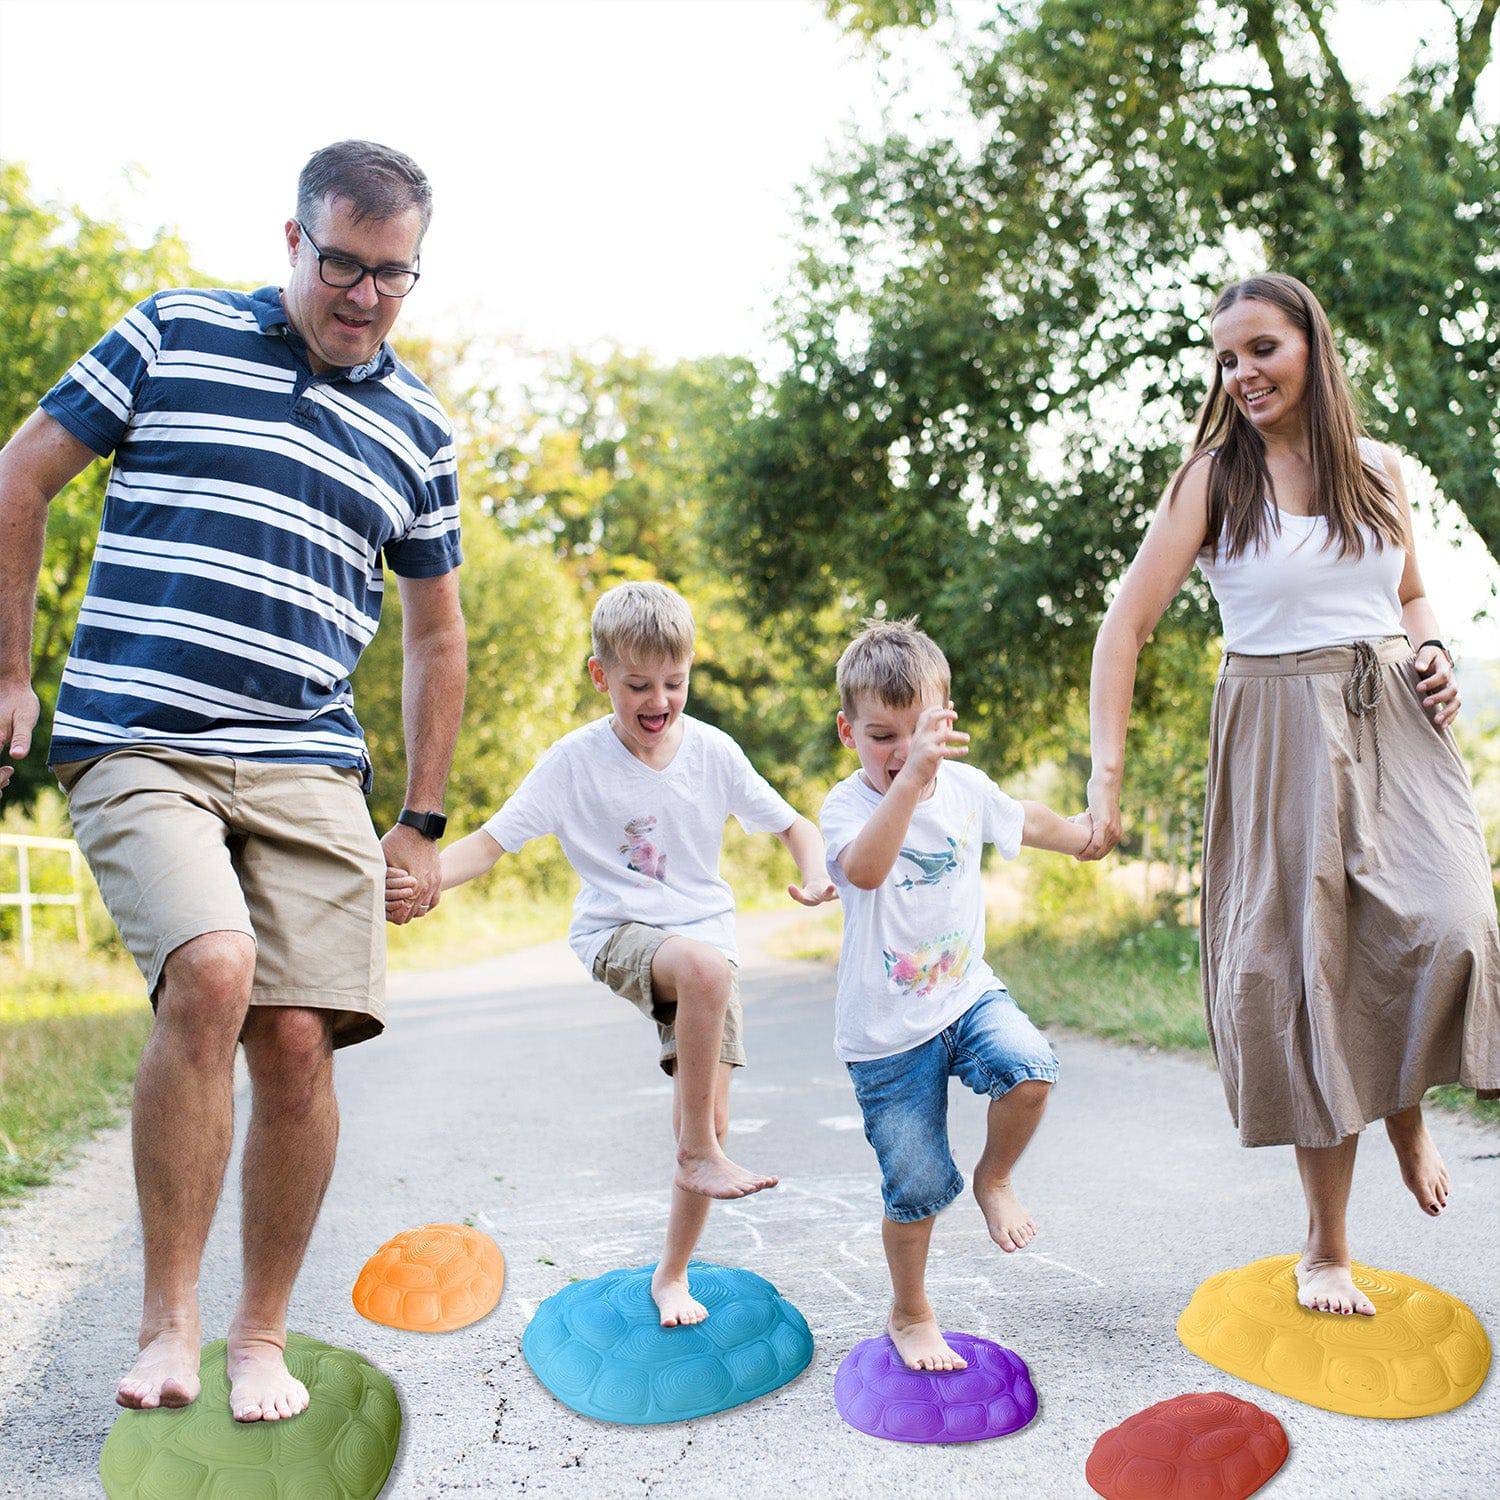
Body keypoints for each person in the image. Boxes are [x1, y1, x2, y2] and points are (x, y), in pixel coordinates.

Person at [0, 140, 467, 1417]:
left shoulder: (418, 428)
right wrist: (9, 671)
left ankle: (258, 1338)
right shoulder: (173, 333)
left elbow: (435, 636)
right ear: (293, 242)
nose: (363, 295)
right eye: (341, 263)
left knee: (302, 1039)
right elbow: (20, 473)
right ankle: (168, 1325)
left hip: (308, 757)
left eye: (392, 274)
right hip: (142, 732)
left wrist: (420, 819)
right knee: (212, 972)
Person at [1082, 271, 1499, 1316]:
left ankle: (1404, 1102)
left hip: (1393, 715)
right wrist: (1106, 784)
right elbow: (1122, 629)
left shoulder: (1376, 468)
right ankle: (1326, 1248)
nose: (1243, 373)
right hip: (1272, 728)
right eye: (1226, 359)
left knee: (1455, 922)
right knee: (1308, 978)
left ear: (1311, 343)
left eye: (1260, 348)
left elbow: (1406, 589)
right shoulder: (1211, 484)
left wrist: (1435, 643)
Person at [392, 580, 834, 1327]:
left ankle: (673, 1273)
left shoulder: (714, 754)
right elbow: (493, 844)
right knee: (700, 970)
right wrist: (427, 880)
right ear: (601, 676)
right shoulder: (573, 762)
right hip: (618, 936)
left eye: (674, 682)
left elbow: (795, 826)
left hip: (707, 951)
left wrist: (816, 872)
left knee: (713, 1110)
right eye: (638, 685)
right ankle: (696, 1150)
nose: (658, 700)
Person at [819, 617, 1090, 1372]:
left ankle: (995, 1176)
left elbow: (1020, 819)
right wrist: (904, 784)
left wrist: (1081, 833)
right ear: (848, 732)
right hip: (885, 1035)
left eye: (917, 732)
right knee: (915, 1188)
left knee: (1030, 1068)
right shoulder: (845, 809)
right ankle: (910, 1312)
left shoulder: (967, 787)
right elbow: (867, 869)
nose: (902, 752)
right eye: (881, 736)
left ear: (946, 720)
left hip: (966, 997)